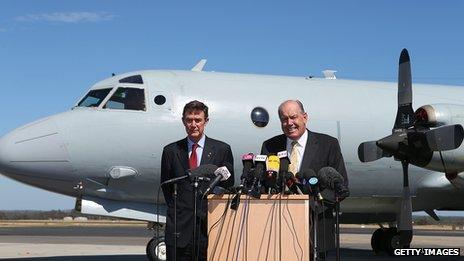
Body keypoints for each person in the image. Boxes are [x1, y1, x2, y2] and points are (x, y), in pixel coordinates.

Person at [261, 99, 348, 260]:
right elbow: (265, 183)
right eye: (284, 119)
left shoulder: (328, 144)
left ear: (305, 117)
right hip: (278, 226)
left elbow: (340, 186)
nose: (289, 123)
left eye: (293, 117)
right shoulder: (270, 146)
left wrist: (309, 208)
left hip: (315, 227)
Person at [161, 100, 234, 261]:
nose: (193, 124)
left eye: (198, 120)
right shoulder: (171, 151)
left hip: (210, 228)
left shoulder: (222, 150)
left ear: (206, 121)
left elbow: (228, 186)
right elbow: (167, 187)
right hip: (179, 230)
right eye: (189, 120)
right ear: (183, 121)